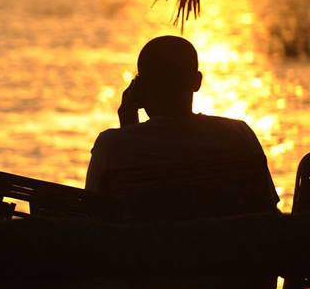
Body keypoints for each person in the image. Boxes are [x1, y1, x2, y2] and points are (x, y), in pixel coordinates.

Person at [86, 35, 278, 212]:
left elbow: (97, 219)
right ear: (197, 81)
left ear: (140, 87)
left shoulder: (111, 146)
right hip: (228, 246)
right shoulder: (239, 136)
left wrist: (128, 124)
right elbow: (266, 210)